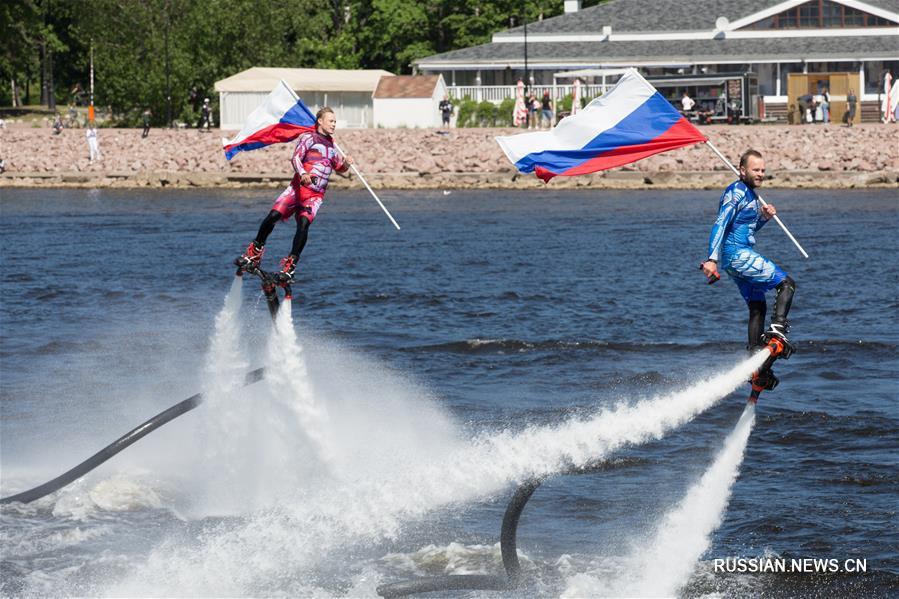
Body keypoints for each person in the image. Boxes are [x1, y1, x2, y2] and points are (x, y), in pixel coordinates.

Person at [700, 149, 796, 385]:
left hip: (737, 257)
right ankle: (778, 330)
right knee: (786, 284)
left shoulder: (751, 195)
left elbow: (745, 231)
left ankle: (756, 362)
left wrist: (763, 218)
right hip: (737, 256)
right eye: (756, 170)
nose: (761, 174)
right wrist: (711, 259)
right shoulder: (736, 192)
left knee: (757, 306)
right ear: (742, 170)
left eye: (763, 170)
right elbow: (721, 223)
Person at [235, 107, 354, 282]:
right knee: (273, 216)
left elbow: (340, 168)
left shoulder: (332, 147)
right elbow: (296, 158)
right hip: (297, 189)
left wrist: (346, 163)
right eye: (331, 121)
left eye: (335, 121)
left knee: (304, 224)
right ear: (320, 121)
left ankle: (290, 266)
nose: (334, 124)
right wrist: (303, 174)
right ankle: (254, 252)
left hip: (314, 196)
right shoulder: (308, 138)